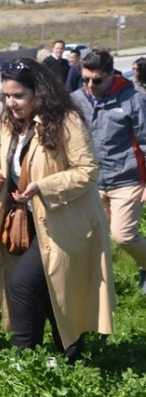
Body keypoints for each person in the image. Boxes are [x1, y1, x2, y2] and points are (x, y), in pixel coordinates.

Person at [0, 58, 115, 363]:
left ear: (39, 92)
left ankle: (24, 357)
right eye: (7, 95)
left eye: (18, 95)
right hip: (27, 221)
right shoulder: (10, 121)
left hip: (64, 221)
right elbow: (10, 163)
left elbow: (88, 170)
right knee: (47, 290)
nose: (11, 102)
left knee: (23, 285)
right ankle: (68, 354)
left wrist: (44, 187)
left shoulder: (65, 120)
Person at [71, 50, 146, 295]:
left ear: (111, 75)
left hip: (127, 179)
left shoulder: (133, 99)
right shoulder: (76, 100)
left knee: (123, 235)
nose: (90, 85)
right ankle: (100, 289)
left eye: (97, 80)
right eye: (85, 80)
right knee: (94, 238)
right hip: (92, 182)